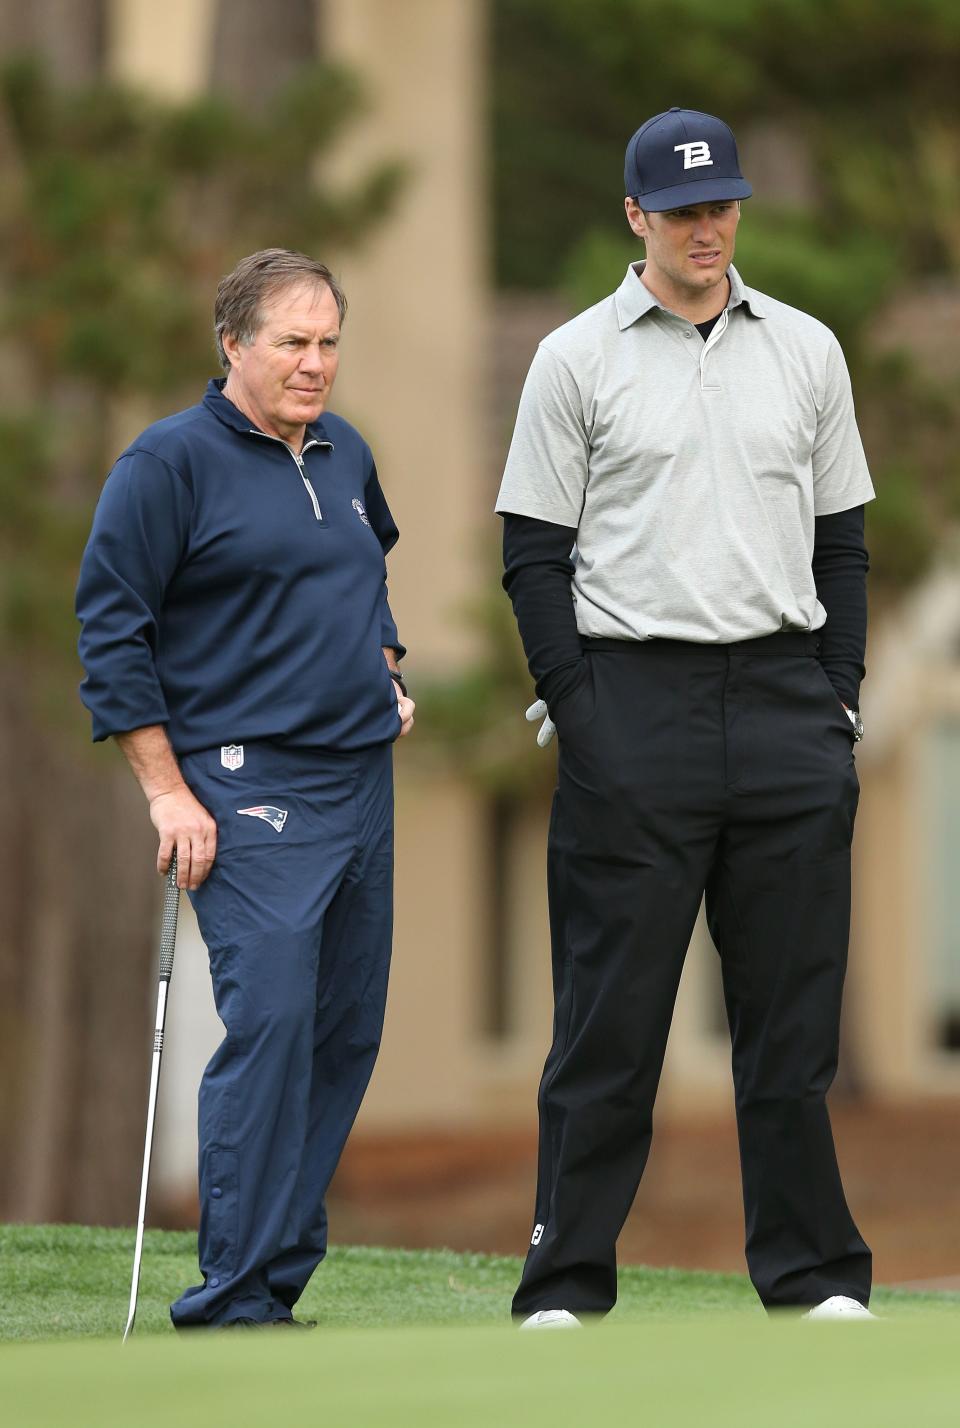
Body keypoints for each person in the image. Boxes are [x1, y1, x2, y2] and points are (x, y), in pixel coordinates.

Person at [496, 109, 875, 1326]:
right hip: (633, 707)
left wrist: (838, 700)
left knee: (789, 1026)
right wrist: (584, 716)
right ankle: (564, 1280)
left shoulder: (808, 350)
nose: (707, 228)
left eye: (722, 207)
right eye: (682, 209)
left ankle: (811, 1274)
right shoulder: (574, 358)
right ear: (635, 217)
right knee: (610, 1024)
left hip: (783, 705)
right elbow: (533, 557)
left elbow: (844, 545)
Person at [76, 248, 414, 1329]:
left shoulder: (347, 453)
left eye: (328, 344)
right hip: (244, 789)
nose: (316, 365)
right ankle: (231, 1294)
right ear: (232, 343)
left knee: (341, 1035)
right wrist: (166, 794)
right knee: (271, 1024)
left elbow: (368, 580)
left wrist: (389, 669)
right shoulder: (166, 464)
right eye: (292, 343)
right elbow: (111, 631)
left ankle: (273, 1280)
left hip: (361, 784)